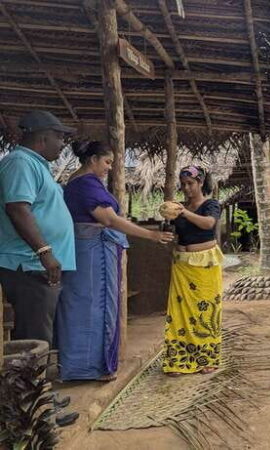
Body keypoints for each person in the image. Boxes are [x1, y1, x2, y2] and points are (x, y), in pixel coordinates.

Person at [56, 141, 173, 381]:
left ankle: (83, 365)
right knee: (95, 305)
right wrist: (151, 234)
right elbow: (108, 219)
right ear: (93, 160)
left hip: (88, 250)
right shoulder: (85, 185)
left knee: (83, 304)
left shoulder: (77, 183)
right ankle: (91, 367)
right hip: (92, 254)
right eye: (107, 162)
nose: (110, 167)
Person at [0, 111, 76, 346]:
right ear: (43, 138)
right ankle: (28, 381)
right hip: (29, 264)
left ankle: (34, 379)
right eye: (60, 138)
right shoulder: (20, 163)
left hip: (38, 265)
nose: (63, 145)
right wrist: (44, 251)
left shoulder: (35, 165)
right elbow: (18, 209)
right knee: (34, 335)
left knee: (41, 330)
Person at [162, 166, 223, 376]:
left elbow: (208, 224)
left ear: (200, 183)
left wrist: (183, 212)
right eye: (183, 184)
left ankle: (206, 359)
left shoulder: (210, 205)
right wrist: (168, 226)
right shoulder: (178, 209)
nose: (186, 188)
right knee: (180, 314)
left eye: (190, 184)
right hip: (182, 265)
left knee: (204, 313)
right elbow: (175, 233)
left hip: (205, 266)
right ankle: (178, 361)